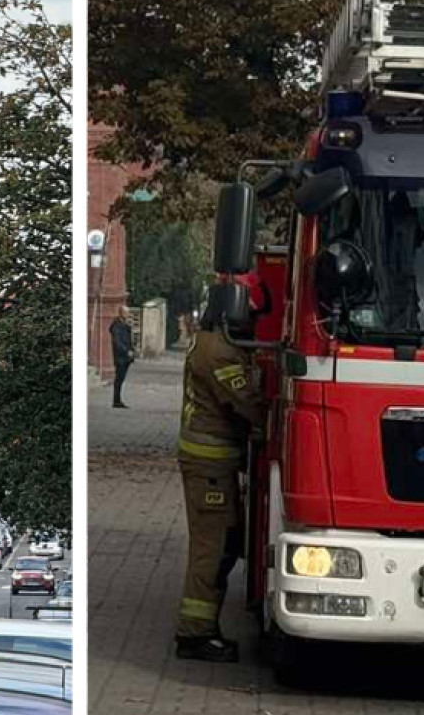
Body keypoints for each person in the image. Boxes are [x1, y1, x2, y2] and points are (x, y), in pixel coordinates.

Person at [174, 276, 268, 663]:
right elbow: (246, 401)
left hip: (213, 461)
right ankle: (195, 635)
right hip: (210, 463)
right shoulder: (219, 351)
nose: (254, 321)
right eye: (252, 313)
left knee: (225, 543)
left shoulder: (213, 341)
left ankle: (199, 629)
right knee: (213, 548)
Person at [109, 313, 136, 408]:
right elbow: (117, 342)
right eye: (127, 313)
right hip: (120, 357)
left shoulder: (125, 325)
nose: (129, 315)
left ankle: (117, 400)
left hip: (126, 357)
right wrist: (126, 351)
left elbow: (129, 340)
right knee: (119, 379)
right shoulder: (116, 326)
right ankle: (116, 400)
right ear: (122, 314)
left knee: (121, 379)